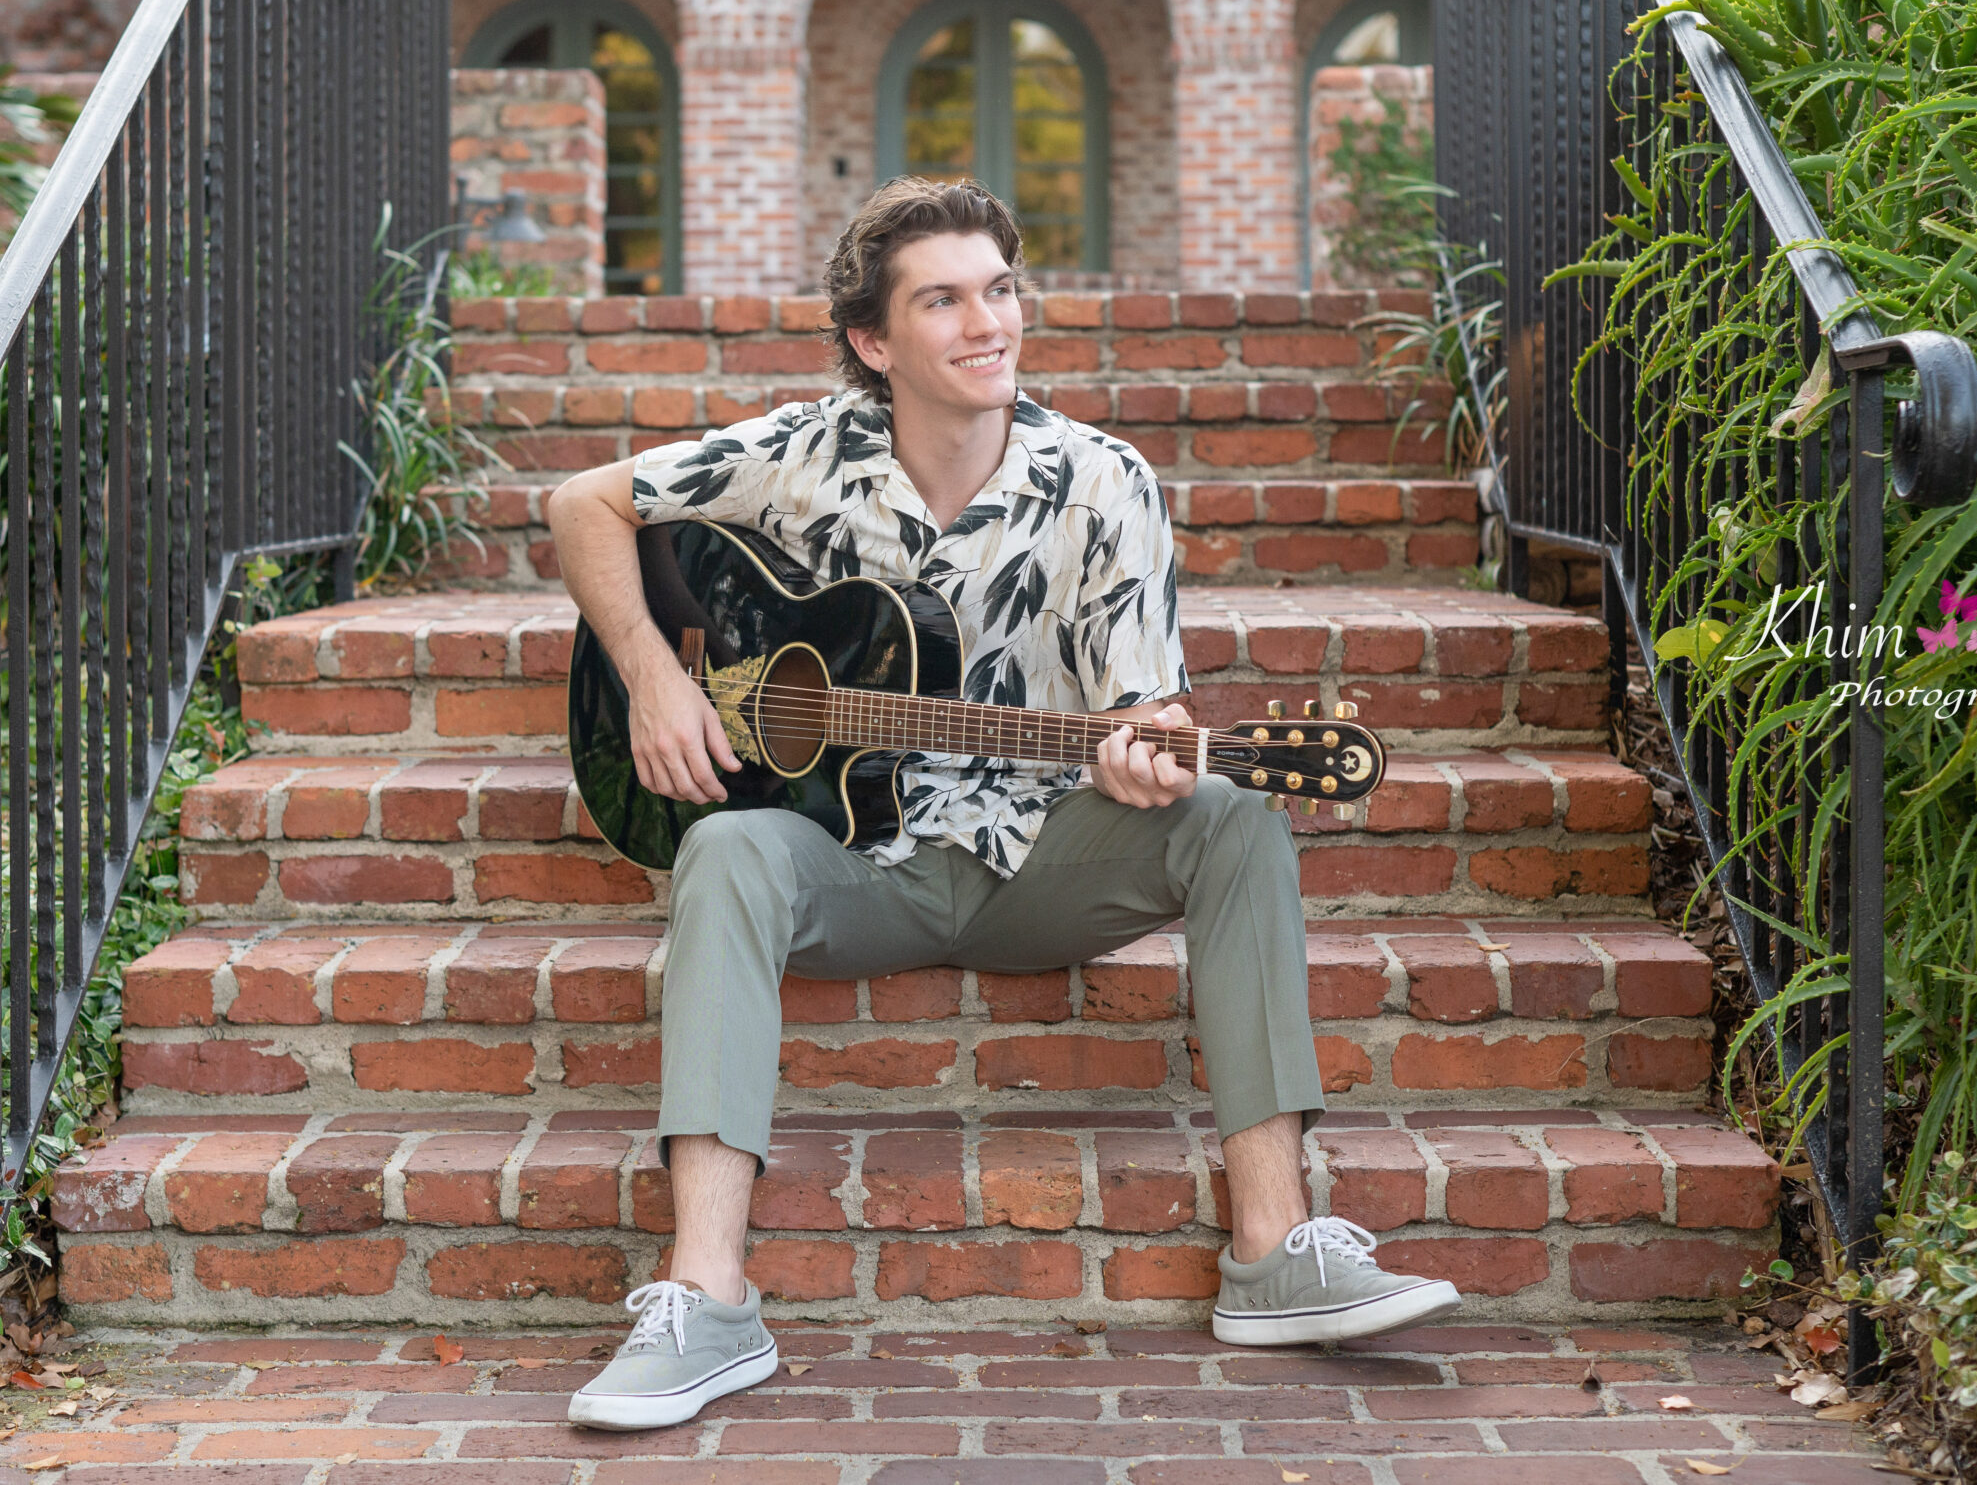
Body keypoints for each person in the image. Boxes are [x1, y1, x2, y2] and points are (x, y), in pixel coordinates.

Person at [542, 176, 1459, 1432]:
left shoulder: (1100, 480)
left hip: (1041, 861)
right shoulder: (800, 454)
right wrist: (655, 678)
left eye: (1001, 289)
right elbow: (581, 500)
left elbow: (1148, 706)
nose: (988, 322)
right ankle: (705, 1297)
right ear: (875, 343)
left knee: (1236, 817)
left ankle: (1274, 1245)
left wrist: (1146, 752)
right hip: (848, 859)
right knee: (722, 850)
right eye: (944, 299)